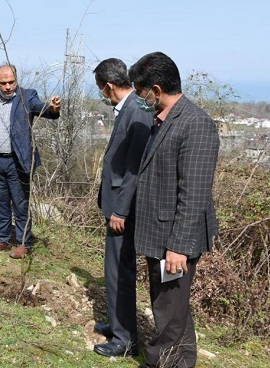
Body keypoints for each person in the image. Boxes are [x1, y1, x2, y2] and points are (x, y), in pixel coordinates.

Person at [128, 52, 220, 368]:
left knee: (168, 310)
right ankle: (183, 362)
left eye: (140, 92)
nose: (139, 99)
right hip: (160, 233)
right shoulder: (163, 119)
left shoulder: (196, 124)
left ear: (156, 90)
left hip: (175, 239)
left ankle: (160, 362)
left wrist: (178, 247)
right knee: (173, 305)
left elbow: (194, 193)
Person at [92, 58, 153, 358]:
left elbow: (134, 169)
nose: (102, 94)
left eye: (100, 89)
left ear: (109, 86)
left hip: (123, 209)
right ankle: (118, 324)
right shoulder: (128, 108)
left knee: (120, 272)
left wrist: (120, 210)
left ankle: (125, 340)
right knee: (114, 270)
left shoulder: (137, 112)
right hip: (117, 205)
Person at [0, 64, 60, 259]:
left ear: (16, 79)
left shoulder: (27, 96)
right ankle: (3, 239)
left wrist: (53, 108)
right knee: (0, 201)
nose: (8, 87)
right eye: (3, 83)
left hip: (18, 161)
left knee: (20, 203)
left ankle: (23, 243)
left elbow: (41, 108)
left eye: (11, 82)